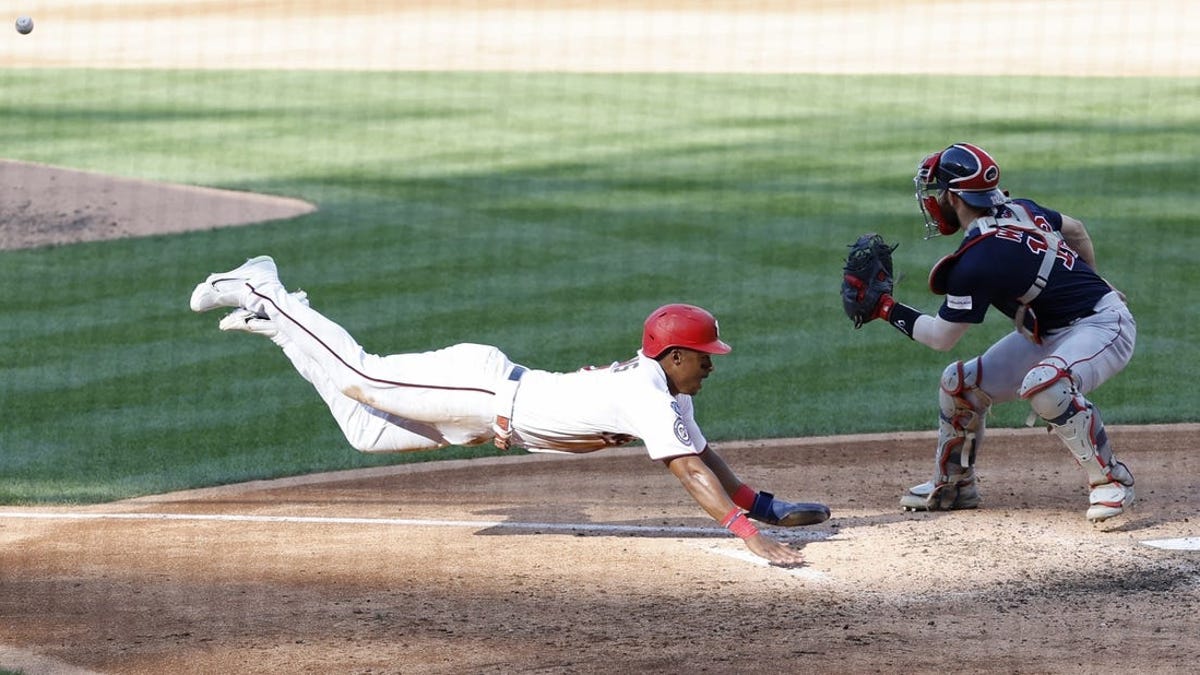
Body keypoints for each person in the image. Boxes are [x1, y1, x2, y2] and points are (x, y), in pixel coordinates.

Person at [190, 256, 830, 565]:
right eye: (703, 354)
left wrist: (766, 506)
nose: (712, 363)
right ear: (671, 357)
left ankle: (280, 324)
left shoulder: (662, 394)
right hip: (482, 391)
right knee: (361, 375)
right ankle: (262, 287)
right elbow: (689, 474)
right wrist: (750, 535)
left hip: (483, 418)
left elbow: (704, 457)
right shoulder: (646, 393)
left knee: (361, 428)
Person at [853, 142, 1136, 522]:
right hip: (1052, 332)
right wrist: (1095, 278)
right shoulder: (1021, 208)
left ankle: (1111, 481)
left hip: (1103, 326)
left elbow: (942, 337)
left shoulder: (978, 259)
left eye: (938, 192)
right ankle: (955, 484)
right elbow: (1077, 229)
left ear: (954, 196)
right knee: (960, 385)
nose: (934, 201)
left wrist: (886, 309)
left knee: (1046, 383)